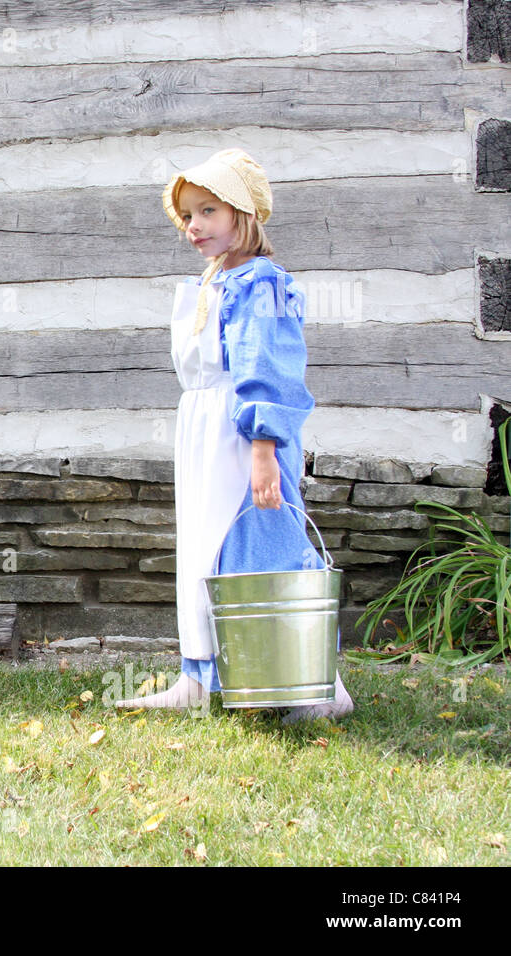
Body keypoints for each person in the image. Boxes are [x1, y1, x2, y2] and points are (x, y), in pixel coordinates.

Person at [113, 148, 353, 723]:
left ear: (242, 216)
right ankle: (198, 676)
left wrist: (265, 451)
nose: (194, 226)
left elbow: (267, 366)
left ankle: (322, 687)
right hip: (203, 429)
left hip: (244, 432)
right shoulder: (216, 279)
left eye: (208, 212)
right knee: (204, 550)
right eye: (188, 215)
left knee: (260, 548)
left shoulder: (261, 284)